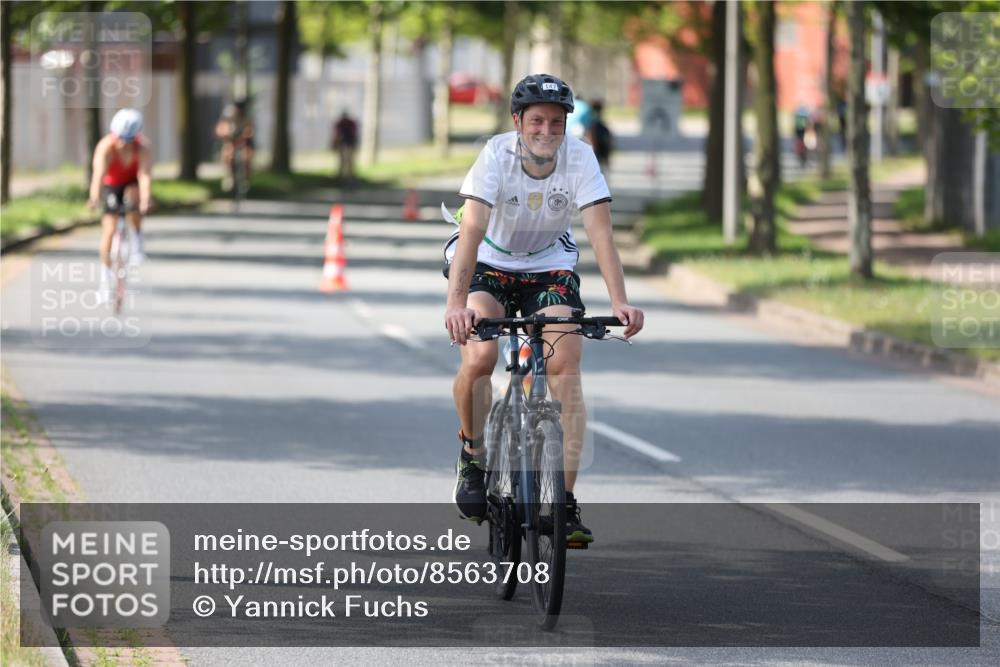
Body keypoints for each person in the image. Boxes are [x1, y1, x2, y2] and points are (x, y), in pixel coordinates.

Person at [444, 74, 644, 544]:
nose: (546, 131)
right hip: (488, 262)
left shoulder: (579, 157)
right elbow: (471, 231)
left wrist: (620, 301)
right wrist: (456, 305)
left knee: (565, 368)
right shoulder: (496, 155)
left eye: (556, 122)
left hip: (548, 268)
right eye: (536, 121)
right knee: (479, 357)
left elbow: (600, 233)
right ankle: (473, 457)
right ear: (518, 121)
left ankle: (563, 503)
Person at [87, 108, 152, 299]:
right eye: (120, 138)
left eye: (129, 140)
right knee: (109, 228)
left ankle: (137, 236)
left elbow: (145, 175)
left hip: (132, 182)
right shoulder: (106, 147)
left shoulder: (143, 148)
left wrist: (146, 199)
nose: (124, 144)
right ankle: (105, 279)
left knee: (134, 198)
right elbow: (98, 175)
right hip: (112, 184)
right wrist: (94, 197)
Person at [215, 99, 255, 192]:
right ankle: (229, 176)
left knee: (247, 156)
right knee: (228, 153)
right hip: (231, 138)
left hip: (243, 140)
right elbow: (221, 127)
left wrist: (245, 136)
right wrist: (225, 134)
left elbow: (250, 129)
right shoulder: (228, 114)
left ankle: (246, 179)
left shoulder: (247, 116)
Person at [585, 99, 614, 174]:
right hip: (601, 158)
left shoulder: (591, 124)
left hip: (595, 157)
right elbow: (608, 143)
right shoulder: (603, 127)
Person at [331, 110, 359, 182]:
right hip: (344, 143)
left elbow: (336, 134)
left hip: (347, 142)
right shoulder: (342, 123)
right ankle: (345, 175)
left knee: (347, 160)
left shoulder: (343, 123)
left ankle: (348, 175)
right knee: (345, 160)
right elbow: (336, 134)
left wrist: (334, 144)